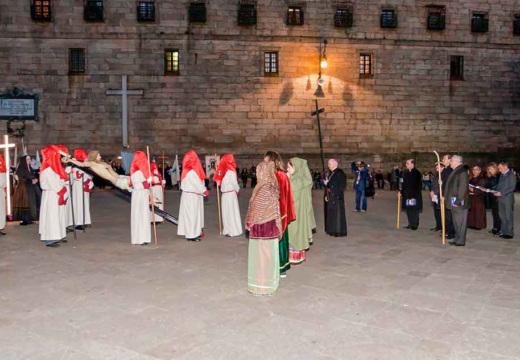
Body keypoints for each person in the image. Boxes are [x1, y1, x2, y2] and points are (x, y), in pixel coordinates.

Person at [245, 161, 282, 296]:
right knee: (270, 257)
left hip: (260, 228)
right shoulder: (272, 186)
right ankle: (270, 285)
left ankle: (260, 286)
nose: (257, 173)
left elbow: (256, 210)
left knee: (259, 258)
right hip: (271, 227)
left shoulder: (262, 188)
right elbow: (276, 210)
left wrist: (249, 222)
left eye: (259, 171)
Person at [264, 151, 295, 277]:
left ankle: (281, 268)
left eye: (266, 160)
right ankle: (270, 266)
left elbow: (287, 195)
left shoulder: (280, 176)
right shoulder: (267, 174)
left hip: (278, 213)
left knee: (280, 241)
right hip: (268, 212)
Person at [39, 145, 69, 248]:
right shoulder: (48, 169)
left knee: (58, 215)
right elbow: (53, 183)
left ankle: (58, 235)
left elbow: (61, 179)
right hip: (52, 195)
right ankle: (50, 238)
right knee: (52, 216)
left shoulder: (54, 168)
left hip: (56, 194)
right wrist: (62, 190)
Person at [287, 158, 315, 264]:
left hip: (296, 213)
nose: (287, 169)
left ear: (296, 168)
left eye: (289, 167)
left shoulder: (297, 181)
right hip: (296, 213)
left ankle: (293, 257)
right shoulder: (300, 179)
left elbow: (290, 196)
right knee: (294, 234)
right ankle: (295, 256)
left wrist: (287, 179)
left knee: (294, 234)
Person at [178, 151, 208, 242]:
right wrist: (204, 191)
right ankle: (191, 235)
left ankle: (193, 232)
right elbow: (197, 184)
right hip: (191, 196)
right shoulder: (190, 172)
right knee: (192, 215)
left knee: (191, 214)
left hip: (190, 195)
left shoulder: (187, 170)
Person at [214, 154, 242, 237]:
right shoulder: (223, 170)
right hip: (225, 194)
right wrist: (218, 181)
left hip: (230, 194)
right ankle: (227, 229)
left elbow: (234, 183)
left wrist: (237, 190)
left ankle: (233, 230)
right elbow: (220, 181)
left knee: (230, 212)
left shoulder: (231, 171)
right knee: (225, 212)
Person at [444, 155, 470, 246]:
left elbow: (462, 188)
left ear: (457, 161)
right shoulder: (456, 171)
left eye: (451, 161)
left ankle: (460, 241)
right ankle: (457, 239)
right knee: (456, 222)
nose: (450, 162)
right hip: (453, 200)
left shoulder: (462, 172)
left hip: (459, 202)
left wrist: (458, 201)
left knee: (460, 222)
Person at [129, 151, 152, 245]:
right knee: (139, 216)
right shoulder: (136, 172)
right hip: (139, 196)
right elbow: (137, 186)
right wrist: (147, 182)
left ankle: (145, 237)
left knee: (145, 216)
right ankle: (139, 238)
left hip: (143, 195)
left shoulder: (141, 172)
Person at [69, 148, 94, 230]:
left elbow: (90, 174)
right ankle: (78, 222)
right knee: (79, 203)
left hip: (84, 186)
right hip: (78, 186)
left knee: (85, 203)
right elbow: (73, 175)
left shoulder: (84, 165)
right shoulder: (74, 165)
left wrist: (88, 178)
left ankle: (84, 220)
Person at [12, 155, 41, 226]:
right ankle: (24, 220)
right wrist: (30, 180)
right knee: (24, 203)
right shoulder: (21, 169)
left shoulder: (30, 168)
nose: (29, 160)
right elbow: (20, 178)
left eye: (30, 159)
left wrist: (35, 179)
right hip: (23, 188)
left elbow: (33, 176)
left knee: (31, 203)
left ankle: (29, 219)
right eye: (28, 159)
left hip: (30, 188)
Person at [324, 158, 347, 237]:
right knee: (331, 215)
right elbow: (329, 187)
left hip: (337, 198)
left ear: (334, 164)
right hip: (331, 197)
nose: (328, 165)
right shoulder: (331, 173)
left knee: (337, 215)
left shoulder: (340, 173)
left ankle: (338, 231)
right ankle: (331, 230)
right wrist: (327, 195)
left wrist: (328, 183)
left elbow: (341, 186)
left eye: (329, 164)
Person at [494, 161, 516, 239]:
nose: (499, 170)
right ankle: (503, 231)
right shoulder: (501, 175)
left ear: (505, 166)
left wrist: (501, 193)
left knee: (508, 216)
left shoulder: (511, 175)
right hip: (500, 199)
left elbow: (512, 187)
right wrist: (494, 191)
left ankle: (509, 233)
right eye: (499, 168)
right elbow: (499, 186)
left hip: (507, 199)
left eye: (500, 168)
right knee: (502, 216)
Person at [401, 159, 422, 230]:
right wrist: (401, 191)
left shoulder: (417, 173)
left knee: (414, 210)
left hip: (413, 195)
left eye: (407, 163)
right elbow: (403, 182)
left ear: (412, 164)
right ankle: (410, 223)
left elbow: (417, 186)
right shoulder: (405, 172)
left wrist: (414, 196)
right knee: (408, 209)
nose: (406, 165)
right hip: (407, 194)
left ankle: (415, 224)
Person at [439, 155, 456, 240]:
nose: (442, 160)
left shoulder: (450, 170)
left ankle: (451, 232)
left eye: (444, 159)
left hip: (449, 196)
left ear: (449, 160)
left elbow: (450, 184)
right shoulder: (445, 170)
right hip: (445, 195)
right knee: (446, 215)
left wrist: (443, 183)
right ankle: (446, 230)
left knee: (450, 215)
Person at [468, 165, 487, 230]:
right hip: (471, 197)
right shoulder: (471, 179)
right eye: (473, 169)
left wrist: (472, 189)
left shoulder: (481, 179)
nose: (475, 171)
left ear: (479, 171)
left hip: (479, 198)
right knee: (472, 212)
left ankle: (478, 225)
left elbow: (481, 189)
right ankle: (472, 224)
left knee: (478, 212)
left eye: (476, 169)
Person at [485, 163, 501, 235]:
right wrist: (486, 189)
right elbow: (487, 185)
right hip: (491, 197)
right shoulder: (490, 177)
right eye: (488, 169)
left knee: (498, 214)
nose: (489, 170)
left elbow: (499, 186)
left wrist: (491, 189)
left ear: (495, 168)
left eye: (491, 169)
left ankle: (499, 229)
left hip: (497, 198)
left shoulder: (499, 176)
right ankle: (495, 228)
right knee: (494, 214)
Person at [0, 153, 7, 236]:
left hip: (1, 191)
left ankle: (0, 227)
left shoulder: (2, 170)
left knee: (1, 210)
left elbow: (3, 182)